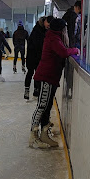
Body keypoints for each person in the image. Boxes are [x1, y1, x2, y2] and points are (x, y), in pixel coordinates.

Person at [30, 18, 79, 149]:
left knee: (47, 106)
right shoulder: (53, 38)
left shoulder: (54, 37)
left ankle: (44, 134)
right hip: (46, 77)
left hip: (50, 77)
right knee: (42, 106)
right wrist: (76, 50)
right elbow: (63, 52)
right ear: (61, 29)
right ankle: (33, 136)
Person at [25, 16, 50, 100]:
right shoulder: (38, 32)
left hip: (35, 57)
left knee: (36, 74)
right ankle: (28, 90)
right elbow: (38, 45)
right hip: (34, 57)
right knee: (32, 73)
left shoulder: (39, 30)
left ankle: (35, 90)